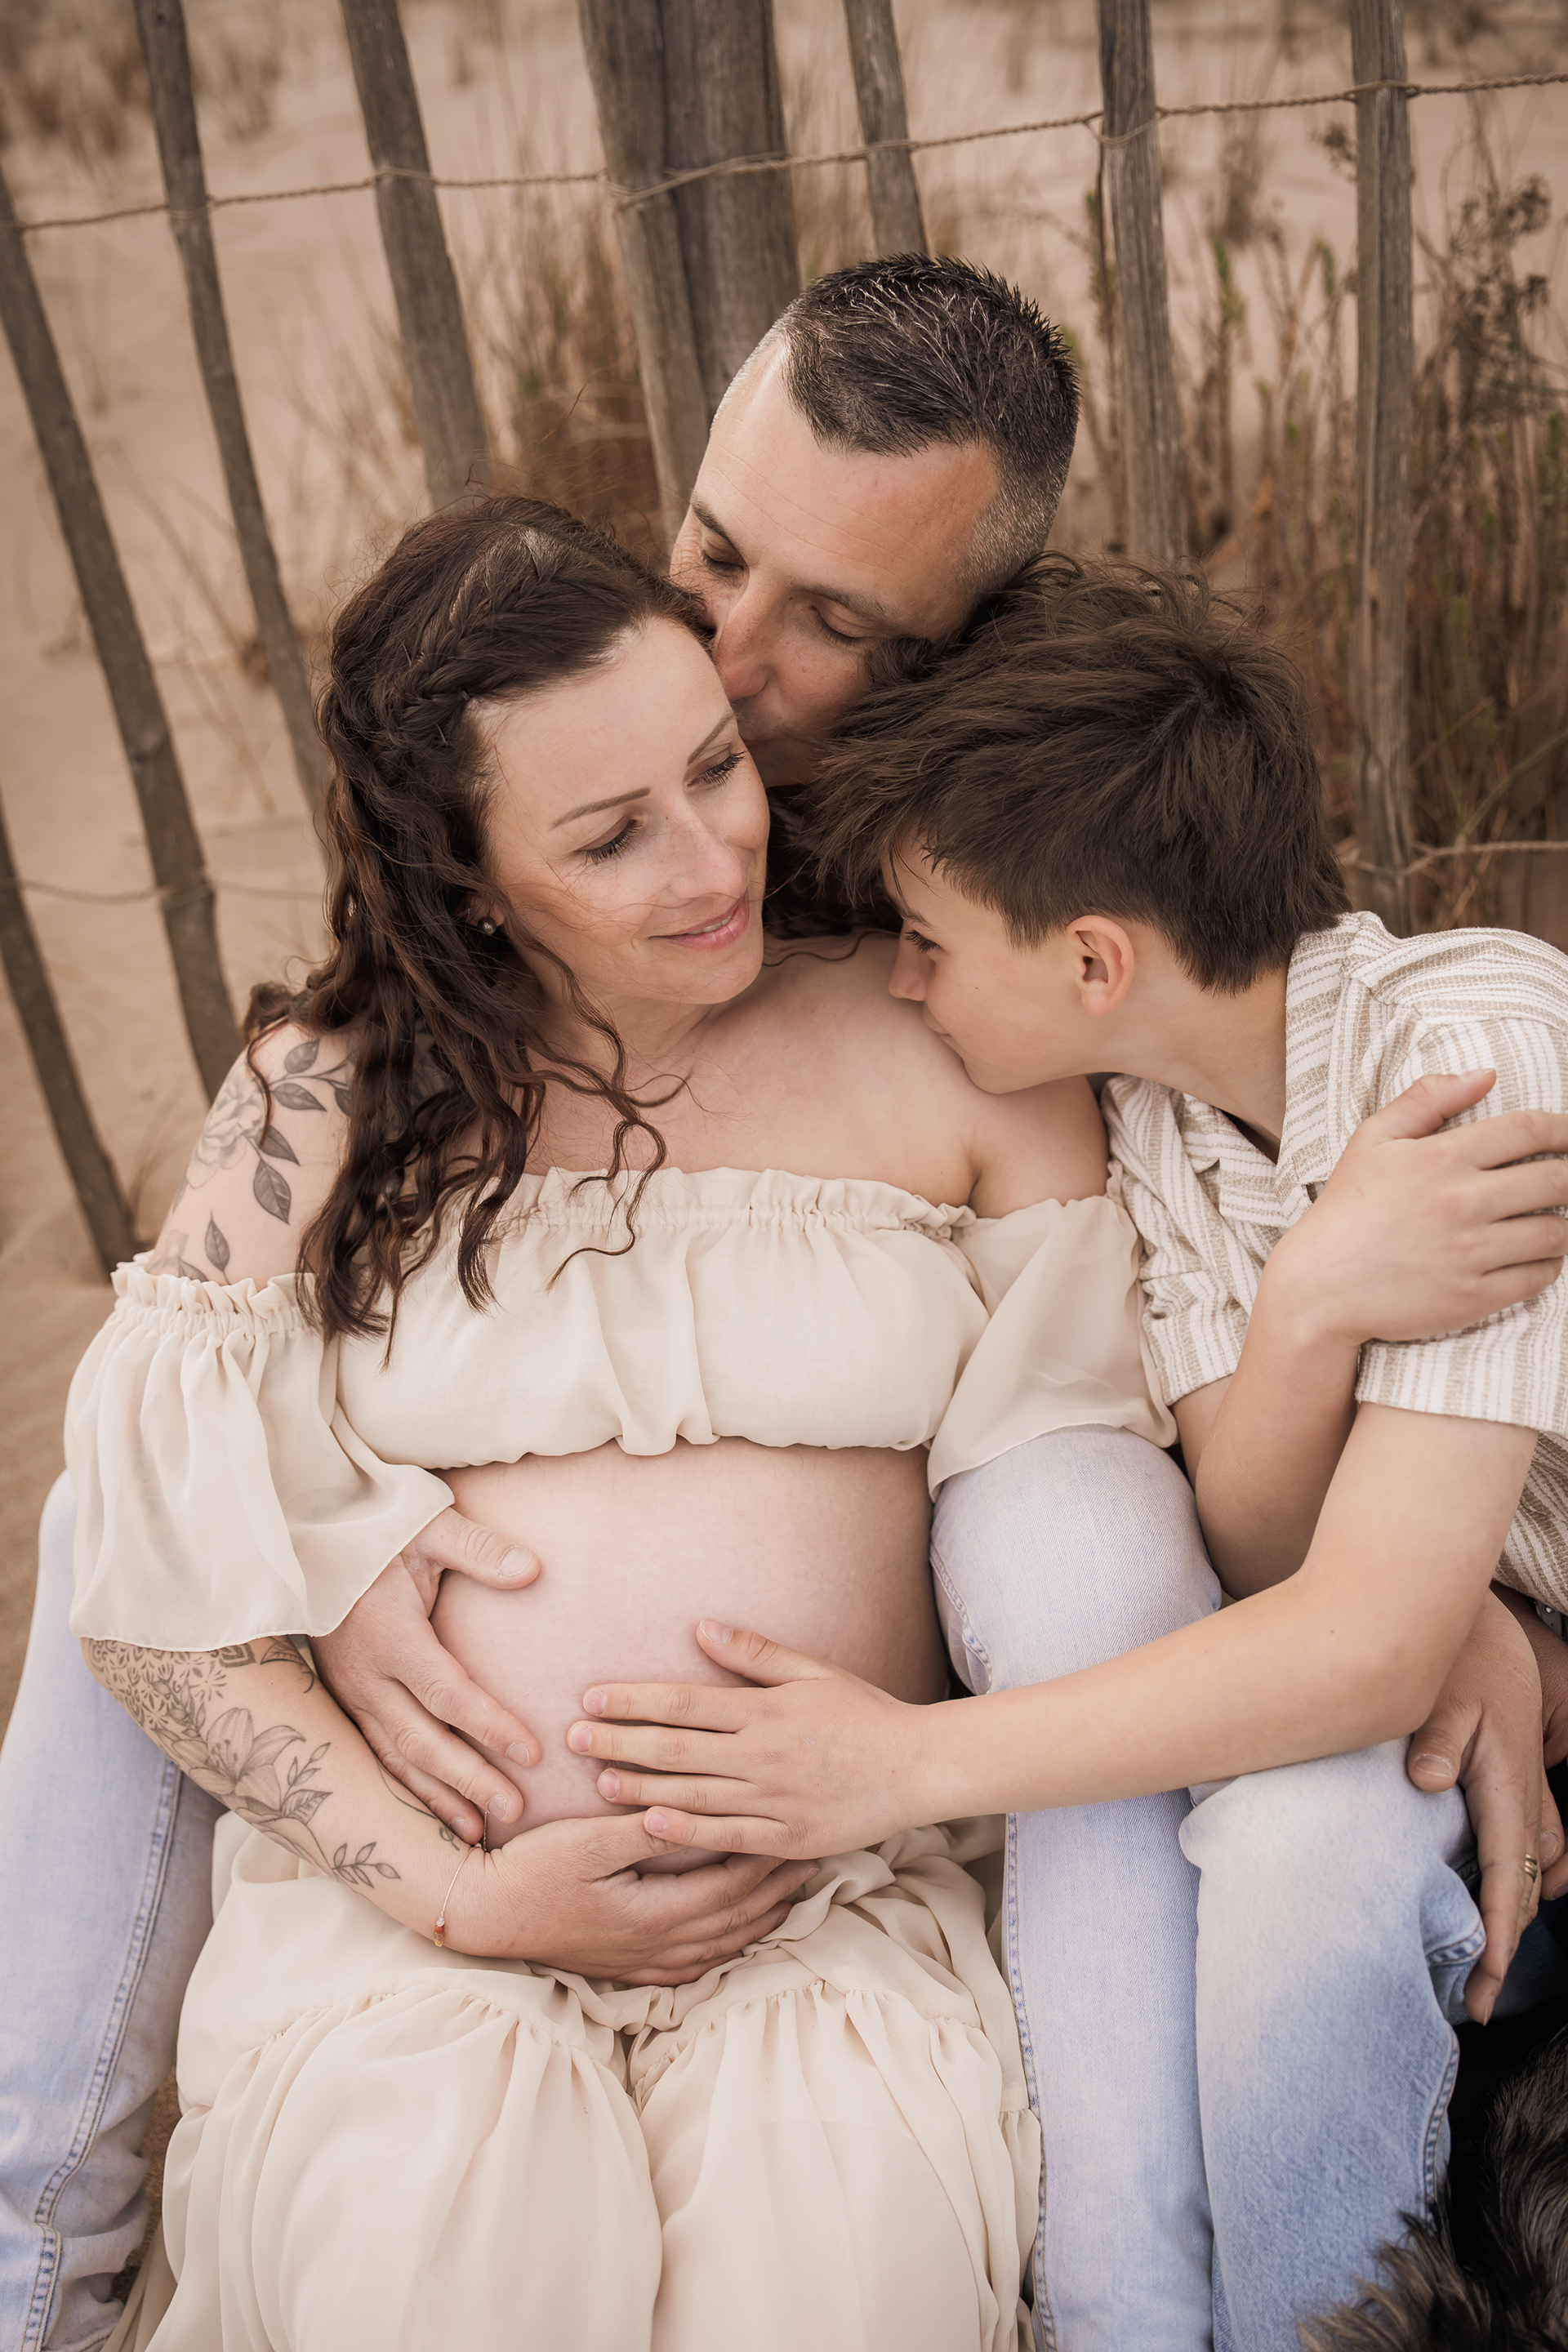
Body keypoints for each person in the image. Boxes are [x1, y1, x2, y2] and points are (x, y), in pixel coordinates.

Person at [0, 259, 1556, 2352]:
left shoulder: (1009, 956)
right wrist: (321, 1538)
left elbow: (1171, 1433)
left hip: (840, 1880)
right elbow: (167, 1500)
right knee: (132, 1529)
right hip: (436, 1906)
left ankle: (1146, 2303)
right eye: (718, 558)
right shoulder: (404, 1005)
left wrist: (1473, 1592)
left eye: (820, 637)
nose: (731, 666)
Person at [65, 494, 1145, 2348]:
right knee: (445, 2261)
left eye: (717, 768)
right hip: (413, 1919)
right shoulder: (312, 1106)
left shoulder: (946, 1043)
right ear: (464, 870)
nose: (713, 854)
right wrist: (472, 1899)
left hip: (821, 1910)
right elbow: (156, 1613)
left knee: (842, 2272)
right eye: (608, 835)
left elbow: (1115, 1479)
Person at [554, 557, 1568, 2351]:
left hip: (1482, 1650)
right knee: (1288, 1844)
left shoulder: (1467, 1052)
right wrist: (1314, 1302)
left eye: (930, 940)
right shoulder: (1166, 1135)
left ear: (1094, 960)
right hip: (1465, 1631)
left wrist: (895, 1765)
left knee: (1303, 1841)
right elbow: (1261, 1558)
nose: (906, 985)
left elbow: (1361, 1642)